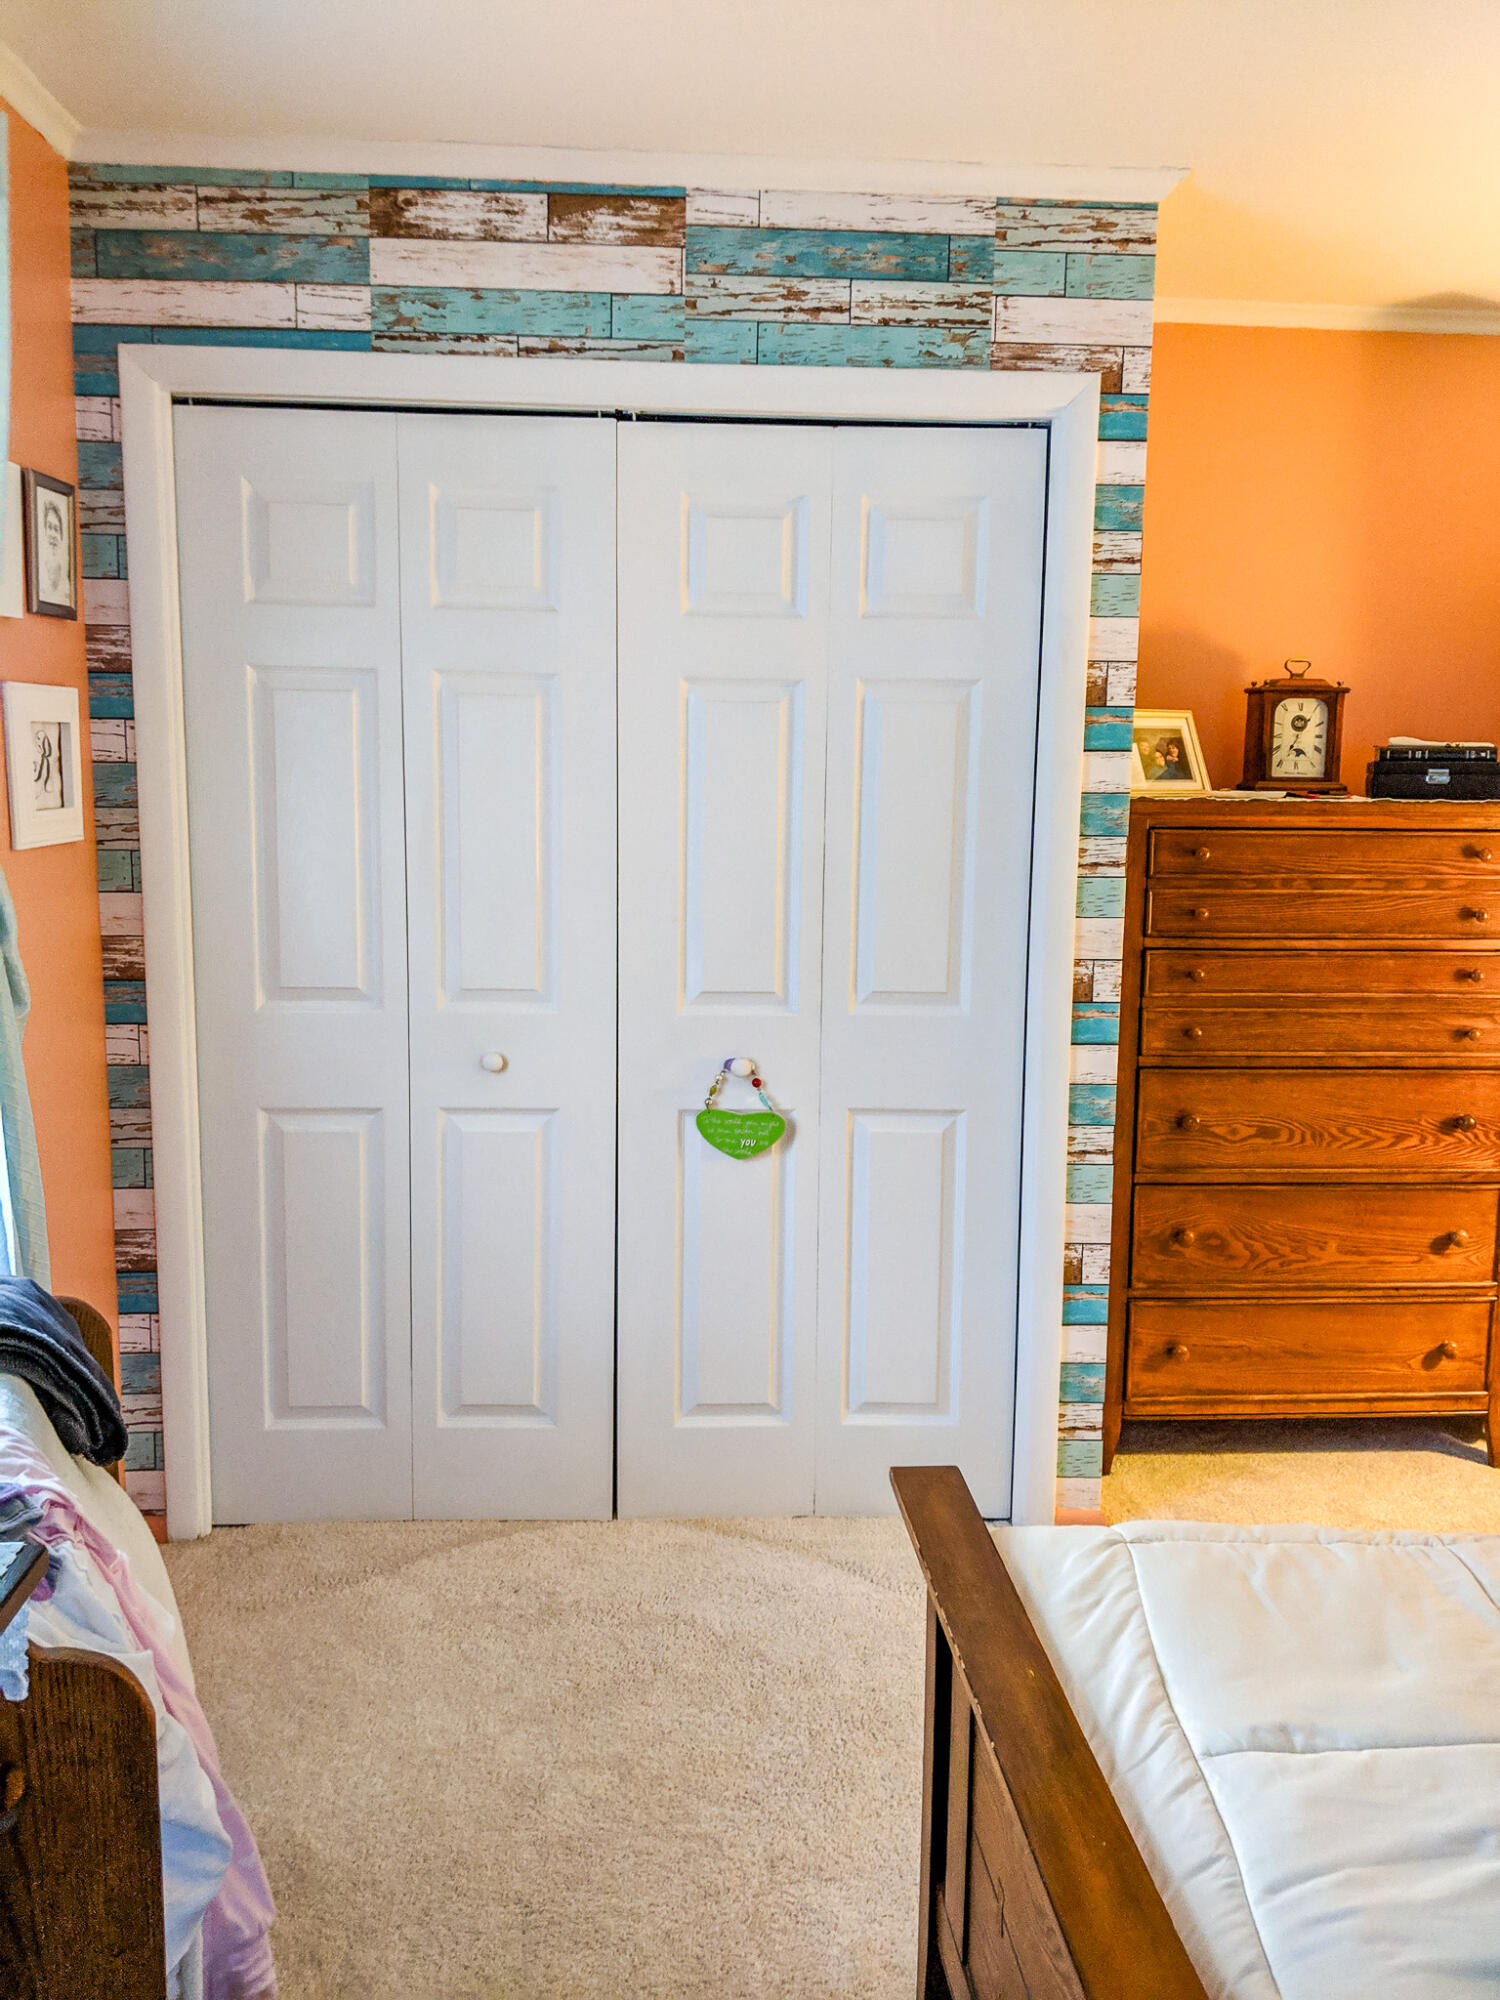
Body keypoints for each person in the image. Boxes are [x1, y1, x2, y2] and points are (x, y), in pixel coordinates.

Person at [38, 496, 72, 609]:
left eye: (56, 529)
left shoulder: (66, 575)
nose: (53, 535)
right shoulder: (39, 569)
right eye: (49, 527)